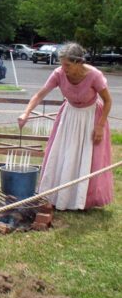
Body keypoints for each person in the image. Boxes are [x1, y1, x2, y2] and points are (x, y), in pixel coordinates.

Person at [18, 42, 113, 211]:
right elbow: (40, 94)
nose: (63, 68)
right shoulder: (59, 74)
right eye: (62, 63)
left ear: (78, 62)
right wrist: (26, 113)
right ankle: (57, 196)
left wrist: (100, 126)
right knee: (62, 153)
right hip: (69, 115)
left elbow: (108, 101)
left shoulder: (94, 75)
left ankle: (81, 200)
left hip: (90, 116)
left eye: (67, 64)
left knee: (85, 157)